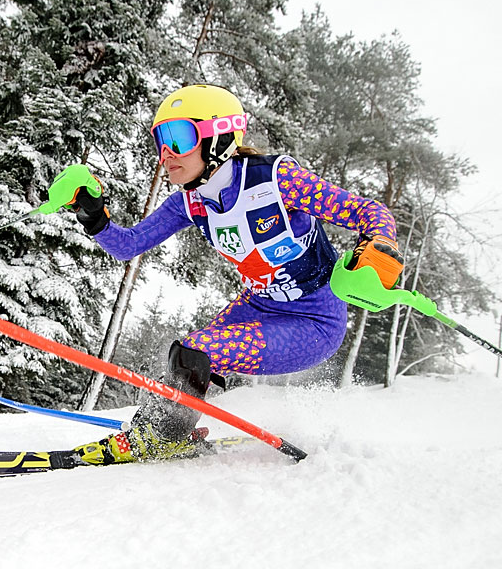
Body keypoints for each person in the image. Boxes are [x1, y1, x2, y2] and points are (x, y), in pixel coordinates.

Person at [49, 84, 404, 464]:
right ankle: (166, 428)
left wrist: (380, 244)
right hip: (257, 306)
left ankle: (160, 436)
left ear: (217, 136)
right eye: (159, 141)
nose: (166, 154)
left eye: (178, 137)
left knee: (196, 353)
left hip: (314, 321)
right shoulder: (189, 201)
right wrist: (92, 215)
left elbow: (368, 212)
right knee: (185, 354)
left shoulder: (277, 181)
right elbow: (128, 245)